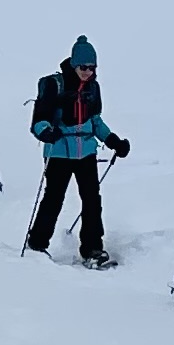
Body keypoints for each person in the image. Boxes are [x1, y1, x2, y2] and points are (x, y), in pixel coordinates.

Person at [26, 35, 129, 264]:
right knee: (54, 199)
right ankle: (37, 244)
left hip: (86, 153)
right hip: (59, 152)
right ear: (74, 65)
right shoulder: (55, 85)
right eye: (84, 67)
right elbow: (39, 120)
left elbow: (95, 120)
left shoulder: (93, 88)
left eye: (92, 68)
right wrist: (46, 132)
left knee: (92, 200)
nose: (88, 72)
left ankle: (93, 249)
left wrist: (113, 140)